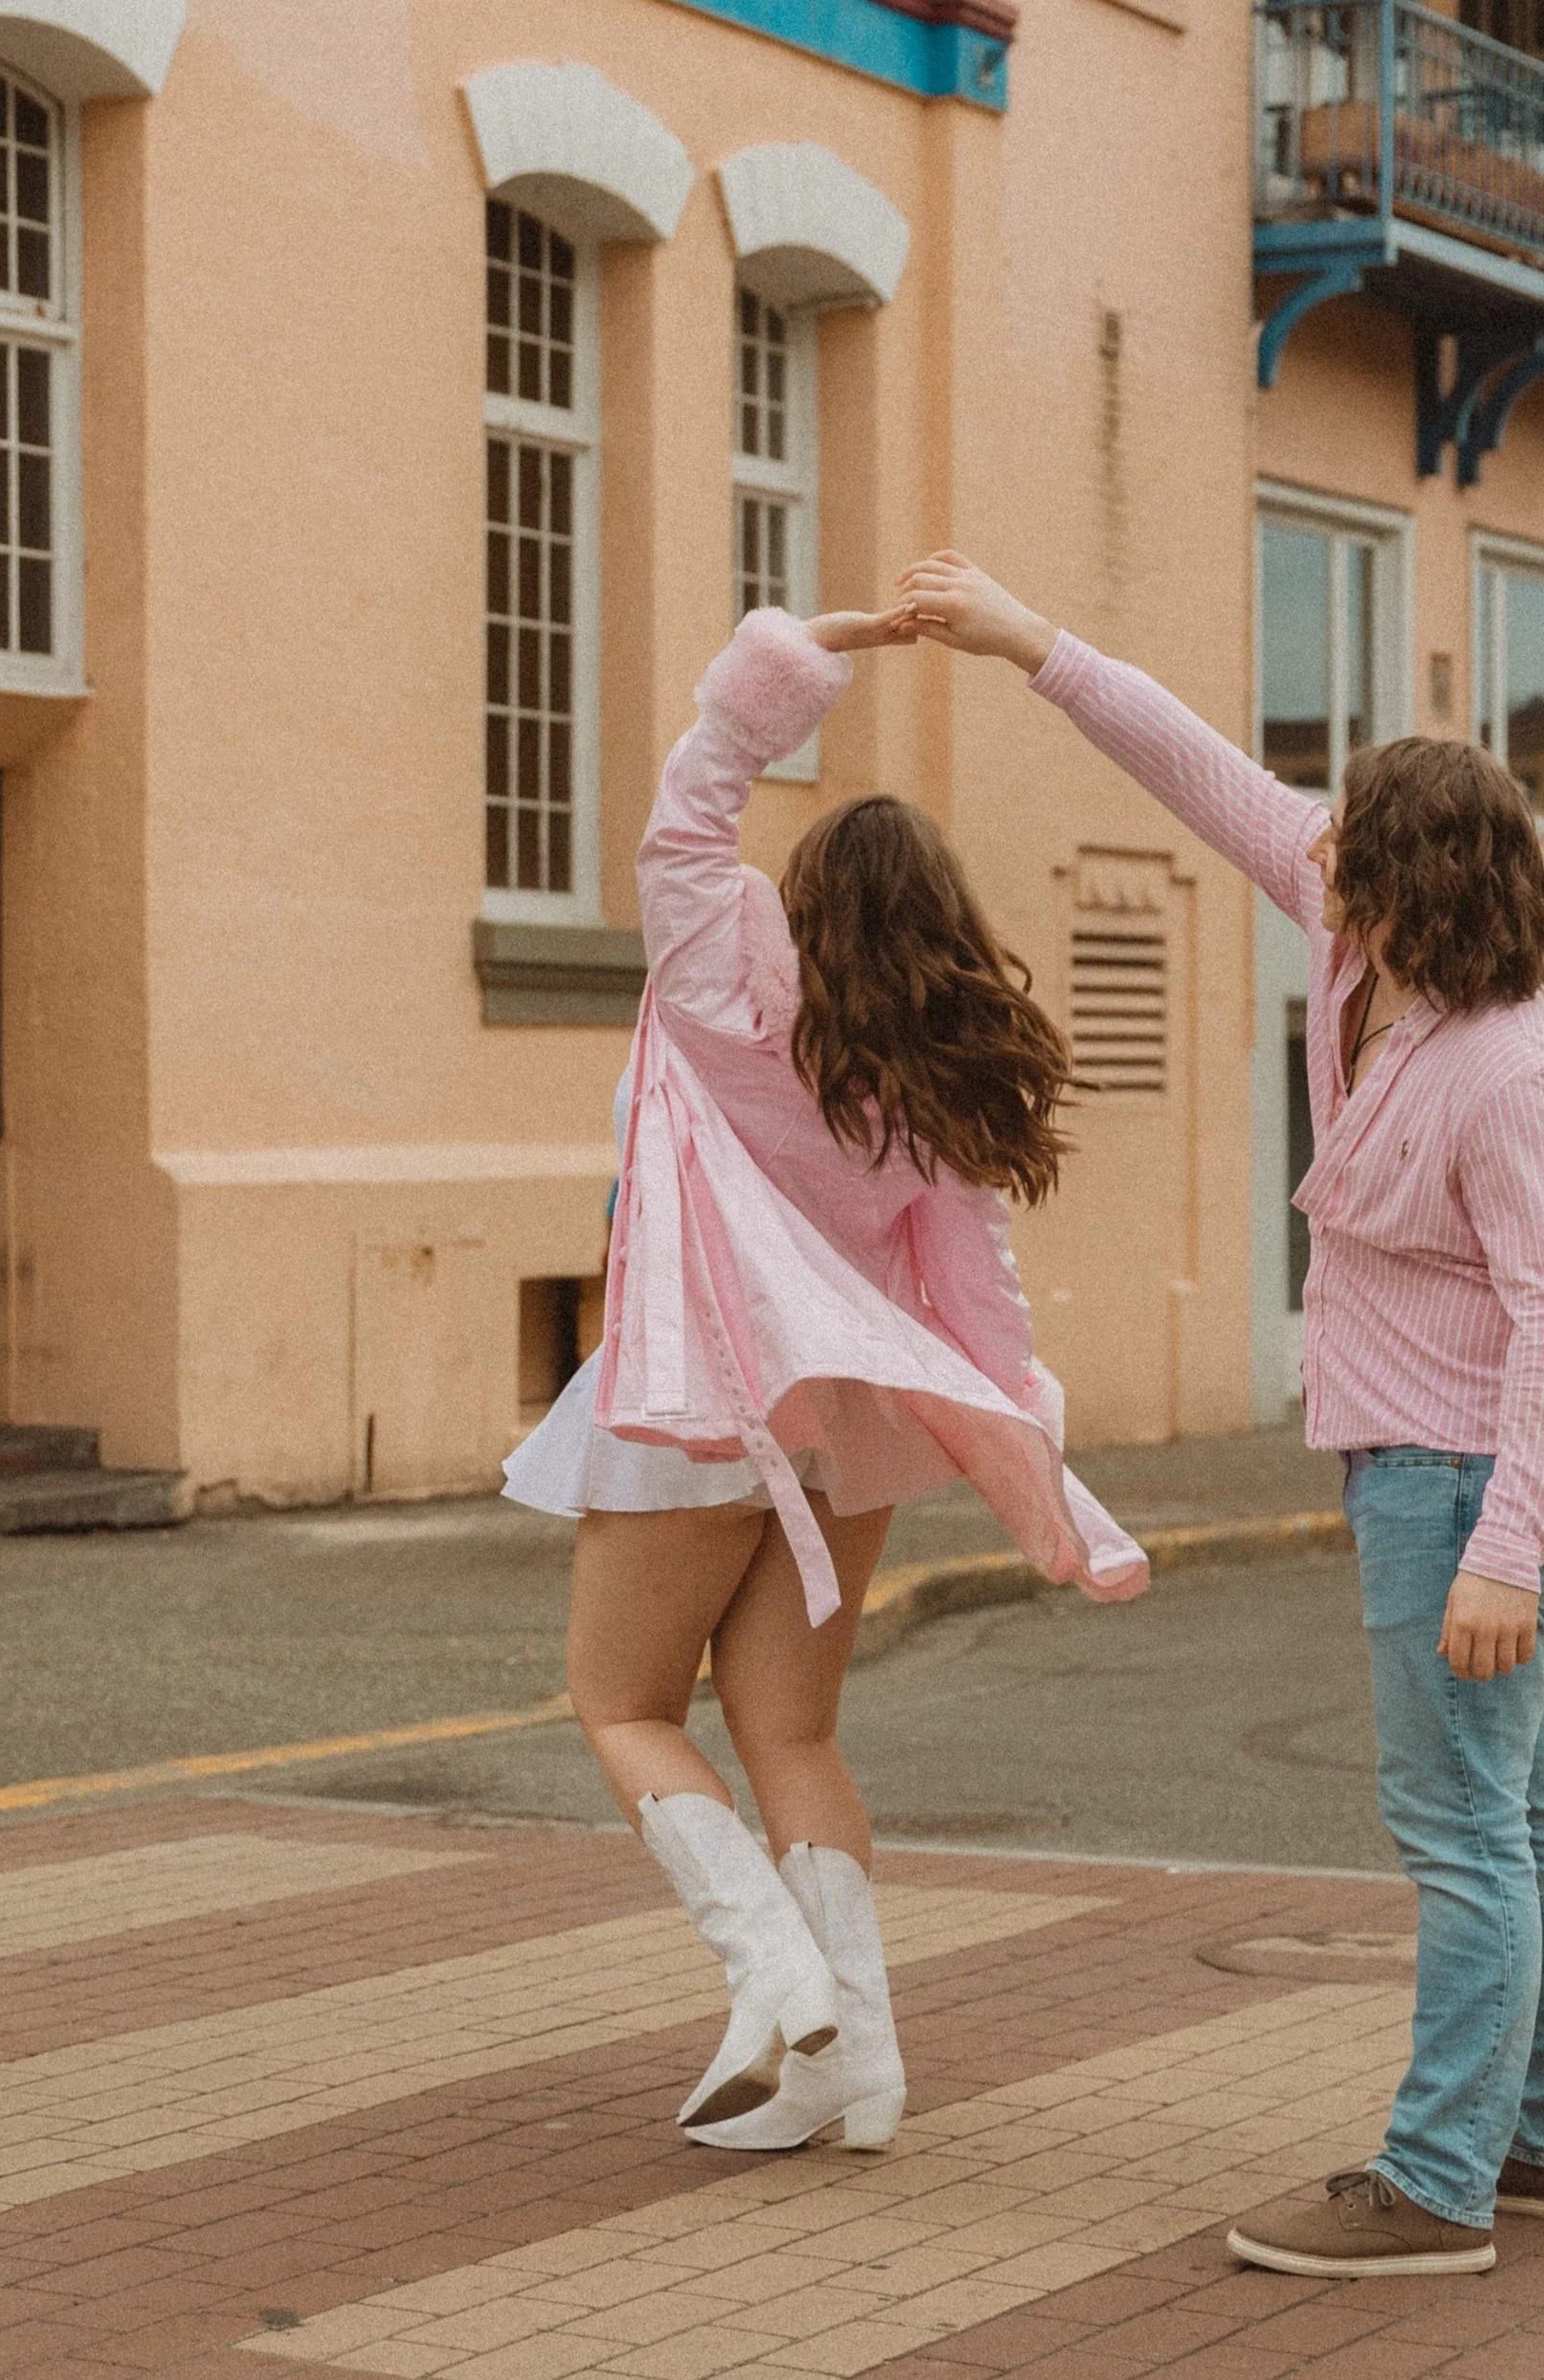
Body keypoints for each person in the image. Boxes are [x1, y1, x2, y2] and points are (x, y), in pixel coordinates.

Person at [904, 552, 1544, 2276]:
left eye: (1353, 837)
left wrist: (1505, 1550)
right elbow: (1202, 766)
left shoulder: (1514, 1071)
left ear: (1416, 877)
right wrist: (1031, 641)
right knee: (1524, 1814)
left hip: (1474, 1485)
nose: (1317, 846)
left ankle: (1441, 2182)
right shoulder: (1355, 949)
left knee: (1463, 1833)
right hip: (1437, 1473)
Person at [505, 600, 1147, 2157]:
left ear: (800, 904)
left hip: (702, 1393)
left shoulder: (724, 978)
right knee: (792, 1736)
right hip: (851, 1427)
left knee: (620, 1703)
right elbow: (980, 1306)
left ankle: (778, 1973)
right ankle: (858, 2065)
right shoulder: (934, 1075)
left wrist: (812, 643)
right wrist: (1029, 1455)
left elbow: (697, 782)